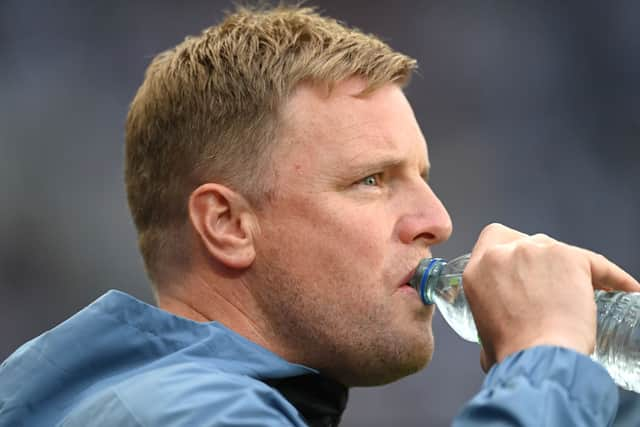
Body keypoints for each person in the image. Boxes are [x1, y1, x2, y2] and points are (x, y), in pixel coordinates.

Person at [1, 5, 639, 426]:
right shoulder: (185, 414)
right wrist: (548, 356)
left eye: (422, 177)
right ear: (227, 224)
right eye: (371, 180)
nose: (438, 220)